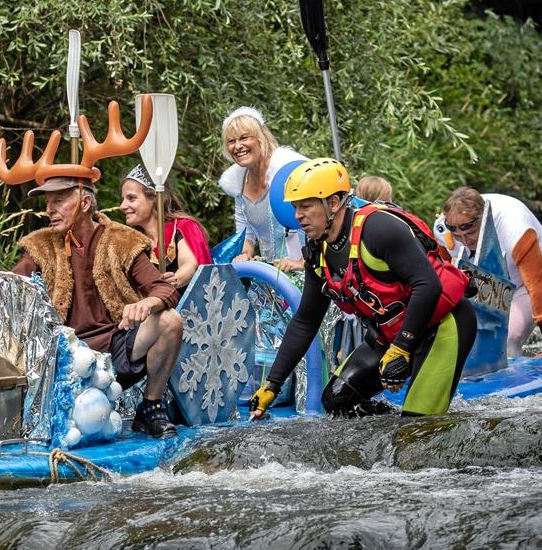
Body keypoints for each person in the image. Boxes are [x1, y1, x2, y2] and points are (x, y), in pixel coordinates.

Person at [249, 159, 477, 420]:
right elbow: (305, 321)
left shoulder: (379, 229)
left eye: (306, 205)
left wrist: (402, 348)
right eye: (295, 207)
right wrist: (272, 385)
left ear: (333, 203)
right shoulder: (317, 252)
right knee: (336, 401)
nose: (297, 215)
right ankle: (389, 436)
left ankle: (410, 427)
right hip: (391, 334)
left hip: (442, 326)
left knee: (416, 430)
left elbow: (428, 285)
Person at [0, 176, 183, 438]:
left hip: (116, 349)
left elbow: (164, 289)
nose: (49, 209)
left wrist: (147, 303)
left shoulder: (123, 241)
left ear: (85, 202)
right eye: (48, 202)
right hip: (64, 359)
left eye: (59, 200)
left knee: (170, 320)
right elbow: (14, 285)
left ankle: (151, 407)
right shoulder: (41, 245)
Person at [440, 187, 542, 360]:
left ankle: (511, 375)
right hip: (492, 277)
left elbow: (538, 285)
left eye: (470, 233)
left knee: (507, 339)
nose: (465, 240)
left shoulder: (515, 229)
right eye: (458, 236)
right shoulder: (443, 232)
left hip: (541, 274)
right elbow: (444, 279)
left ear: (483, 221)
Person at [218, 106, 308, 271]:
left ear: (261, 138)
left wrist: (303, 263)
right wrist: (244, 254)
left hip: (308, 271)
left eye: (244, 138)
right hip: (274, 277)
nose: (237, 146)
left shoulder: (288, 172)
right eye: (231, 141)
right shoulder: (238, 186)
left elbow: (319, 220)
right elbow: (246, 236)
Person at [119, 164, 212, 291]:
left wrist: (174, 280)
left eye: (131, 198)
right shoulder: (132, 241)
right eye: (123, 199)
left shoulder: (183, 226)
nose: (122, 206)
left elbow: (190, 264)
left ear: (154, 198)